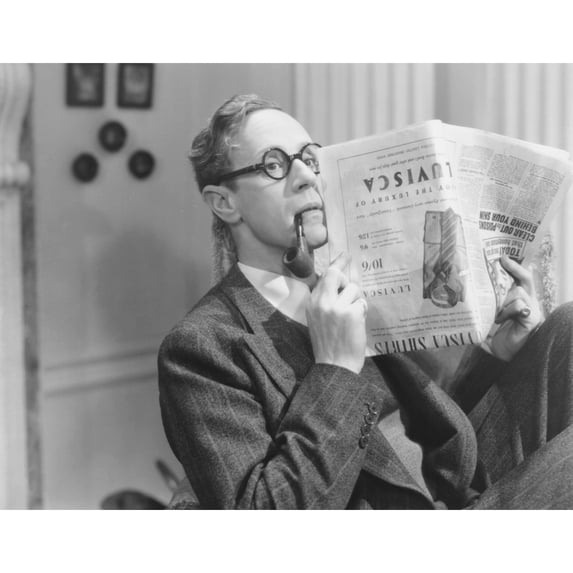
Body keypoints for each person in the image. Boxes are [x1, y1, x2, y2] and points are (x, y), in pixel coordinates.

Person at [158, 93, 573, 509]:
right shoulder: (201, 347)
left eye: (309, 158)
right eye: (274, 165)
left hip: (461, 486)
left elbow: (430, 422)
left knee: (566, 327)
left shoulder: (345, 280)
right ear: (224, 202)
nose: (306, 177)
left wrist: (495, 356)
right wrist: (336, 369)